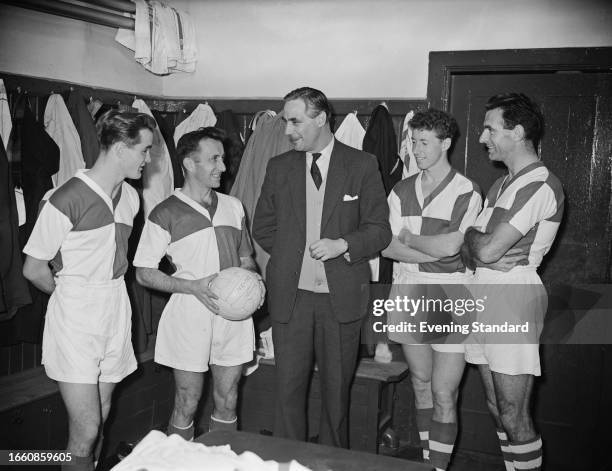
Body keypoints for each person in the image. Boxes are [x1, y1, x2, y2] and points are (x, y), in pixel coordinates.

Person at [252, 87, 391, 448]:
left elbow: (380, 230)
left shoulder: (362, 164)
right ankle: (288, 461)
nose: (287, 130)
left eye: (295, 121)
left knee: (336, 398)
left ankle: (332, 462)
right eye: (286, 122)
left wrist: (343, 245)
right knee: (287, 394)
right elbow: (262, 227)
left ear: (320, 118)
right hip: (290, 300)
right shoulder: (279, 167)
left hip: (340, 301)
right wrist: (291, 257)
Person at [22, 110, 156, 471]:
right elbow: (33, 269)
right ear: (119, 148)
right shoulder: (64, 198)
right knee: (86, 427)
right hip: (77, 309)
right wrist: (71, 298)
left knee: (102, 415)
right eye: (144, 150)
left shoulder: (130, 197)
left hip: (116, 304)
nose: (149, 159)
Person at [461, 93, 564, 471]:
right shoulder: (500, 185)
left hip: (511, 295)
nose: (483, 137)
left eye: (490, 128)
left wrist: (474, 239)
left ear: (517, 131)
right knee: (495, 407)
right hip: (482, 289)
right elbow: (473, 249)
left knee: (513, 411)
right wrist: (475, 238)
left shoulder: (539, 184)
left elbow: (485, 250)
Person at [133, 127, 256, 441]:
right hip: (190, 315)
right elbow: (143, 272)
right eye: (214, 159)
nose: (224, 167)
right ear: (188, 163)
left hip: (234, 317)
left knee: (228, 399)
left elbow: (246, 259)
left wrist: (253, 282)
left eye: (223, 159)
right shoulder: (164, 212)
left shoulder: (234, 206)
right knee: (187, 401)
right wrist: (191, 287)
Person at [381, 109, 482, 470]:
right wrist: (429, 248)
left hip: (451, 294)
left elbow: (451, 248)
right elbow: (385, 247)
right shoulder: (400, 190)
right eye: (413, 141)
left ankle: (439, 466)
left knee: (443, 392)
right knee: (421, 384)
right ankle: (428, 462)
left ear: (446, 143)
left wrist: (408, 238)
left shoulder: (466, 191)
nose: (416, 149)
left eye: (424, 142)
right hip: (408, 291)